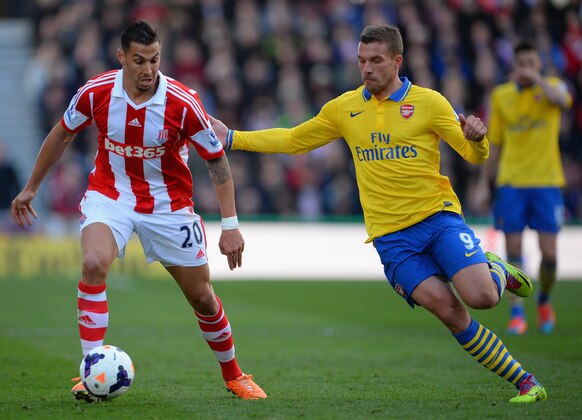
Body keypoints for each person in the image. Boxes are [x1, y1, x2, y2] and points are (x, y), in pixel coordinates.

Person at [211, 25, 546, 403]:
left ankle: (496, 269)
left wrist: (478, 139)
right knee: (449, 312)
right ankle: (526, 382)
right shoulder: (345, 108)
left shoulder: (430, 103)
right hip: (392, 239)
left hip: (437, 219)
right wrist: (232, 138)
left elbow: (473, 156)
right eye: (360, 61)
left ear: (397, 61)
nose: (366, 69)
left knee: (483, 297)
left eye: (375, 61)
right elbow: (293, 140)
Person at [10, 21, 266, 401]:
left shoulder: (183, 103)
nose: (148, 70)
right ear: (122, 58)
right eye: (140, 61)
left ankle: (234, 375)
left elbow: (216, 159)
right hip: (110, 195)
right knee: (94, 263)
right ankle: (91, 372)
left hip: (169, 205)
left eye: (155, 60)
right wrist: (31, 188)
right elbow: (62, 133)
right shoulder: (96, 93)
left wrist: (230, 225)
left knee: (202, 297)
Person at [476, 41, 571, 336]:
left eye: (531, 62)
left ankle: (543, 300)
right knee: (513, 250)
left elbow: (563, 99)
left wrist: (537, 79)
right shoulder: (502, 95)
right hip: (512, 182)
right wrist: (483, 183)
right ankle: (517, 312)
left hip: (546, 182)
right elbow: (496, 144)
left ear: (538, 63)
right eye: (521, 63)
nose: (526, 68)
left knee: (550, 254)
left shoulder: (552, 88)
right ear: (514, 66)